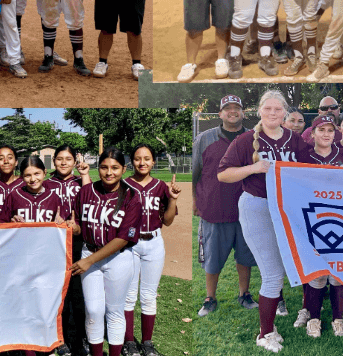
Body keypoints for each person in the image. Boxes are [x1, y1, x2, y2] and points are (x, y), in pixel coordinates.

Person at [217, 90, 309, 352]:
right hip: (257, 205)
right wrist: (253, 168)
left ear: (285, 113)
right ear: (259, 111)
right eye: (267, 109)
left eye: (277, 109)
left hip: (287, 208)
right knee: (272, 274)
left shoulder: (295, 140)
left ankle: (270, 328)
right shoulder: (247, 140)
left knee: (281, 270)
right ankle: (264, 334)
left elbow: (312, 170)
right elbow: (223, 174)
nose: (272, 113)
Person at [72, 148, 143, 356]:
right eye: (104, 167)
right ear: (98, 168)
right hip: (89, 252)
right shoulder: (85, 191)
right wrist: (71, 226)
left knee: (114, 311)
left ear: (124, 169)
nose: (109, 172)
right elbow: (78, 224)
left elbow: (123, 238)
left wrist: (89, 260)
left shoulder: (132, 196)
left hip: (118, 258)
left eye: (115, 168)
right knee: (93, 311)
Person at [193, 95, 257, 317]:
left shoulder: (254, 138)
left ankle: (244, 293)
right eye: (227, 108)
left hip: (246, 208)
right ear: (220, 113)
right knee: (212, 257)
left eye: (236, 108)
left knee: (245, 256)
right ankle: (210, 297)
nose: (232, 111)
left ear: (243, 112)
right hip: (214, 208)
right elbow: (195, 173)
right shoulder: (205, 138)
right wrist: (195, 200)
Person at [294, 115, 343, 338]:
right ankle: (313, 318)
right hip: (311, 219)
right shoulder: (302, 156)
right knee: (316, 272)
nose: (326, 134)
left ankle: (338, 319)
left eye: (330, 130)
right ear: (313, 133)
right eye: (322, 130)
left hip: (340, 218)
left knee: (338, 271)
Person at [122, 145, 180, 356]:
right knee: (128, 295)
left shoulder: (160, 186)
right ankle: (129, 342)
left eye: (147, 158)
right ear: (132, 162)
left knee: (148, 295)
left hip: (154, 242)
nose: (142, 162)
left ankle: (147, 342)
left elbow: (168, 220)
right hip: (130, 244)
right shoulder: (124, 185)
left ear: (154, 162)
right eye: (138, 158)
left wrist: (172, 199)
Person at [43, 145, 90, 356]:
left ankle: (80, 336)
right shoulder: (46, 184)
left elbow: (90, 200)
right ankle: (58, 338)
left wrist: (85, 175)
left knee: (77, 292)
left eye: (68, 159)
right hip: (53, 243)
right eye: (60, 159)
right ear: (54, 161)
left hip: (78, 240)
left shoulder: (80, 182)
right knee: (56, 292)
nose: (64, 162)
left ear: (74, 161)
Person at [6, 156, 71, 223]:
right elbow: (3, 224)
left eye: (37, 174)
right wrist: (11, 223)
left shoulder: (54, 198)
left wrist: (62, 222)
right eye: (28, 175)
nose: (33, 179)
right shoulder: (14, 196)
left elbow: (64, 226)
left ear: (44, 173)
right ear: (22, 176)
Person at [0, 145, 24, 219]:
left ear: (16, 162)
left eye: (10, 158)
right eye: (1, 158)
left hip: (20, 229)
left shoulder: (24, 184)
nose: (6, 161)